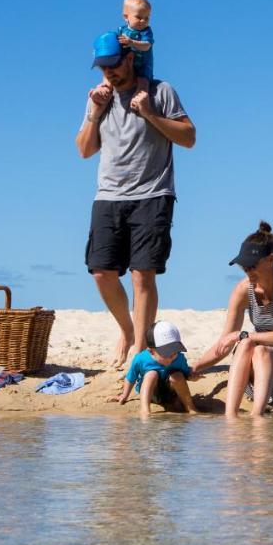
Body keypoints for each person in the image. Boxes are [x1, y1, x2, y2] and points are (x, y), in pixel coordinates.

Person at [78, 31, 196, 370]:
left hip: (153, 193)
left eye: (114, 65)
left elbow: (189, 137)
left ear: (129, 59)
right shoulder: (98, 98)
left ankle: (139, 347)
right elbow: (85, 149)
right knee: (101, 272)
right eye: (103, 68)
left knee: (142, 274)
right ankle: (128, 332)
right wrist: (94, 113)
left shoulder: (160, 92)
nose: (109, 73)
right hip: (108, 195)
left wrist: (150, 114)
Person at [189, 222, 273, 418]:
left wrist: (242, 335)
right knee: (245, 346)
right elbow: (225, 343)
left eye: (252, 266)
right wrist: (196, 366)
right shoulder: (243, 289)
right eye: (244, 266)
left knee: (256, 347)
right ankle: (231, 417)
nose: (247, 271)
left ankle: (257, 416)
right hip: (257, 361)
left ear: (270, 259)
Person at [116, 321, 197, 416]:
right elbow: (131, 377)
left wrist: (191, 377)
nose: (171, 356)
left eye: (174, 351)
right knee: (151, 374)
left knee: (177, 375)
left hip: (170, 392)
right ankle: (145, 410)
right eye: (166, 352)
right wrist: (124, 395)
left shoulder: (179, 358)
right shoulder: (141, 359)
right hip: (152, 393)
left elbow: (185, 375)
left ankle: (191, 408)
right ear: (151, 351)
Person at [116, 0, 154, 111]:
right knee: (111, 70)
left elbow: (147, 46)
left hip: (142, 64)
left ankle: (139, 98)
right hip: (128, 64)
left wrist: (132, 42)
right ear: (126, 17)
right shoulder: (121, 30)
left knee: (143, 81)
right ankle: (105, 87)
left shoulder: (146, 31)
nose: (143, 21)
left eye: (146, 18)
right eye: (139, 17)